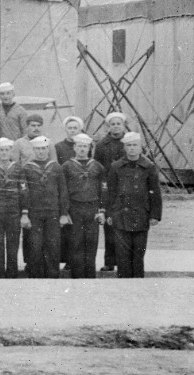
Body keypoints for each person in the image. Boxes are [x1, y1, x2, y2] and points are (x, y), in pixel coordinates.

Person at [105, 131, 162, 278]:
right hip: (121, 216)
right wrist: (110, 214)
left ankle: (138, 286)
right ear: (124, 147)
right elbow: (111, 192)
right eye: (129, 145)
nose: (132, 148)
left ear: (140, 147)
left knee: (138, 254)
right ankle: (124, 287)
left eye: (135, 145)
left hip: (141, 215)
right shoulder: (116, 167)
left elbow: (155, 192)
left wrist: (155, 215)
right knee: (122, 256)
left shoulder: (148, 166)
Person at [19, 136, 69, 279]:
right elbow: (24, 192)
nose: (41, 152)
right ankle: (36, 277)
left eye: (43, 148)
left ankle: (53, 277)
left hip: (53, 212)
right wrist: (25, 213)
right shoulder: (27, 168)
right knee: (35, 246)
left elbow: (63, 191)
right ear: (33, 150)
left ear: (48, 149)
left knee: (53, 245)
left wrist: (64, 213)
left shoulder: (56, 167)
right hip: (35, 213)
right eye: (38, 149)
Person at [63, 134, 105, 279]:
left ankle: (90, 277)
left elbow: (102, 190)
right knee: (76, 243)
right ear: (74, 147)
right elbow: (63, 191)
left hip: (92, 208)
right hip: (75, 208)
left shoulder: (97, 166)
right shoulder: (67, 166)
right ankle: (77, 278)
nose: (82, 149)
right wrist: (65, 211)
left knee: (91, 243)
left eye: (85, 146)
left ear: (89, 148)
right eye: (79, 146)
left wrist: (101, 210)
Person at [95, 111, 130, 272]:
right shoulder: (102, 145)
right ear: (108, 126)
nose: (116, 127)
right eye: (113, 124)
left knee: (126, 225)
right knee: (109, 226)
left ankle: (126, 261)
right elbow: (98, 167)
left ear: (123, 126)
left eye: (118, 124)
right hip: (109, 189)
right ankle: (109, 261)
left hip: (127, 188)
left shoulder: (130, 142)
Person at [0, 138, 24, 279]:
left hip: (14, 211)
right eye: (1, 150)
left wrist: (24, 211)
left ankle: (12, 275)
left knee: (13, 244)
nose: (4, 153)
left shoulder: (18, 168)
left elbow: (23, 190)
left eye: (6, 150)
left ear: (11, 151)